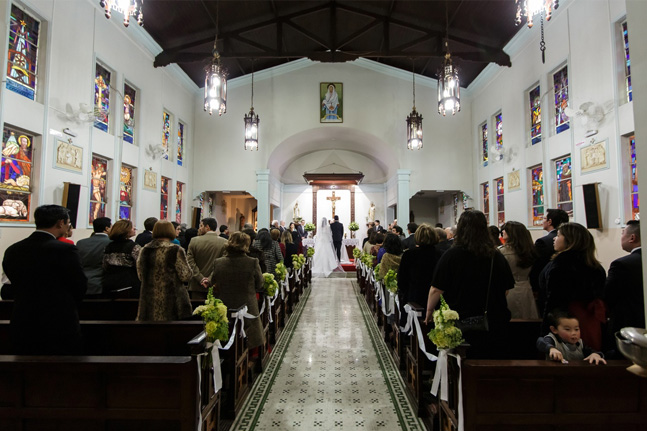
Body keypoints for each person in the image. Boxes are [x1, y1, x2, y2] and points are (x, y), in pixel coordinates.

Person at [424, 210, 514, 359]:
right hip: (491, 321)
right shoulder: (495, 256)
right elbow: (505, 290)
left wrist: (429, 313)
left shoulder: (451, 255)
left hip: (459, 321)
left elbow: (436, 289)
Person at [2, 205, 87, 354]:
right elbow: (79, 284)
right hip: (58, 320)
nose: (68, 226)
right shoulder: (65, 250)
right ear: (60, 223)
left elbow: (13, 280)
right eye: (68, 223)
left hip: (23, 318)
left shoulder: (13, 249)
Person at [538, 222, 606, 350]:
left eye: (558, 235)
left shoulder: (562, 264)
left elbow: (554, 299)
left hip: (566, 321)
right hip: (590, 320)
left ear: (570, 240)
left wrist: (545, 331)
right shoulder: (595, 265)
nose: (554, 238)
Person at [210, 232, 264, 349]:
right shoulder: (252, 262)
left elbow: (212, 281)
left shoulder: (218, 262)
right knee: (249, 337)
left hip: (225, 306)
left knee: (227, 335)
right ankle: (248, 360)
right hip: (247, 305)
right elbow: (260, 284)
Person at [136, 220, 192, 321]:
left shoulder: (144, 250)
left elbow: (140, 275)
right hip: (172, 301)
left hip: (149, 300)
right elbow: (185, 275)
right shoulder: (175, 250)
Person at [604, 220, 644, 352]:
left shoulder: (621, 265)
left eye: (622, 233)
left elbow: (608, 296)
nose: (621, 237)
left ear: (632, 238)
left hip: (628, 326)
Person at [397, 224, 443, 320]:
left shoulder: (409, 255)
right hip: (436, 300)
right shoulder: (441, 254)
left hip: (414, 298)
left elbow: (401, 280)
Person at [499, 221, 539, 319]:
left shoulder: (501, 252)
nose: (503, 231)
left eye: (506, 230)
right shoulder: (530, 251)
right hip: (526, 288)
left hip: (508, 289)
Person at [536, 310, 606, 365]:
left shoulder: (579, 343)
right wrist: (551, 348)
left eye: (576, 329)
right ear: (554, 329)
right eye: (567, 329)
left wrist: (596, 355)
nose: (574, 333)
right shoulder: (552, 340)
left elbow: (592, 352)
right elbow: (540, 341)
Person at [186, 217, 227, 300]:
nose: (199, 229)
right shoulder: (224, 242)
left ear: (207, 227)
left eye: (201, 226)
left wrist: (200, 279)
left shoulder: (194, 241)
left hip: (196, 285)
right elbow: (223, 263)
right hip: (215, 284)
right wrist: (209, 279)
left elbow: (189, 262)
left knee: (197, 310)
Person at [529, 208, 569, 292]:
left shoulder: (542, 242)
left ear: (549, 221)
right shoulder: (571, 238)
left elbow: (536, 268)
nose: (542, 221)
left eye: (543, 218)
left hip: (547, 286)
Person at [102, 219, 141, 298]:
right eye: (132, 227)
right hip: (129, 282)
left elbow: (105, 265)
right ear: (126, 230)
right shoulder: (134, 246)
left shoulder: (109, 246)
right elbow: (140, 265)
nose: (134, 229)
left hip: (110, 281)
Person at [76, 216, 112, 297]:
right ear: (107, 228)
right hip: (101, 283)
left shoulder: (81, 243)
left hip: (81, 282)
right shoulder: (111, 243)